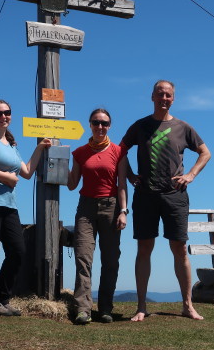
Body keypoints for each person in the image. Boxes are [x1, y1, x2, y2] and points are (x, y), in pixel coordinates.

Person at [121, 80, 211, 322]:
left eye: (168, 95)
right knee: (144, 249)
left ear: (173, 98)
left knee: (179, 248)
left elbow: (206, 152)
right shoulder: (140, 126)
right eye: (160, 94)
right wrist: (130, 175)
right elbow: (120, 151)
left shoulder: (183, 127)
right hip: (145, 195)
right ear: (152, 96)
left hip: (175, 196)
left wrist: (190, 175)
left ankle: (187, 305)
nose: (164, 98)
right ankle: (141, 306)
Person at [0, 100, 51, 316]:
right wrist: (6, 177)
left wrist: (40, 147)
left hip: (9, 205)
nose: (3, 116)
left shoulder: (11, 143)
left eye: (7, 112)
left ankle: (2, 298)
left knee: (17, 251)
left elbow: (26, 172)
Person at [67, 109, 128, 324]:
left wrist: (123, 211)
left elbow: (122, 184)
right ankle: (83, 309)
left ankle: (105, 308)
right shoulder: (80, 152)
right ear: (90, 125)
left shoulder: (118, 151)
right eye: (96, 122)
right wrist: (58, 160)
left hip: (111, 207)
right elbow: (73, 185)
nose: (100, 127)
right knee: (83, 257)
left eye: (104, 123)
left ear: (109, 125)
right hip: (86, 208)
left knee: (111, 260)